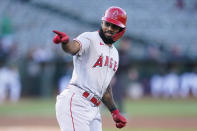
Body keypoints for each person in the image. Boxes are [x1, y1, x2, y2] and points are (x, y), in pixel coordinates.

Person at [53, 6, 127, 131]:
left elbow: (105, 88)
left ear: (121, 30)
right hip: (76, 102)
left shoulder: (115, 54)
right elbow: (73, 48)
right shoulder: (90, 38)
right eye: (107, 24)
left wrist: (114, 111)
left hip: (94, 108)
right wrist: (65, 43)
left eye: (114, 26)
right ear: (102, 22)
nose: (109, 28)